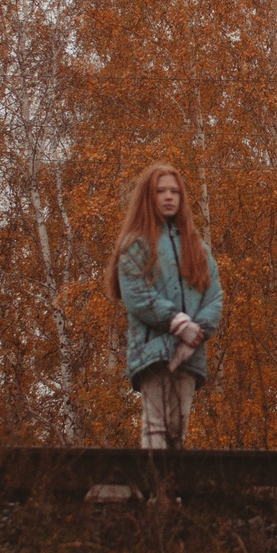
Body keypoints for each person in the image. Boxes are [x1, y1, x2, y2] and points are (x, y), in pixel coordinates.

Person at [107, 162, 223, 449]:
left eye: (174, 191)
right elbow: (136, 294)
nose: (169, 196)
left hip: (190, 353)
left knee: (179, 431)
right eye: (161, 191)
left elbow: (214, 298)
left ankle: (171, 481)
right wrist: (178, 323)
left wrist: (194, 335)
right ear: (148, 196)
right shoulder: (136, 244)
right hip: (153, 351)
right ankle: (155, 479)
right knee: (156, 427)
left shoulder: (198, 248)